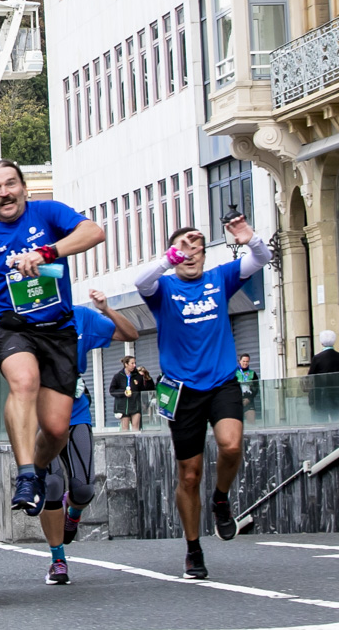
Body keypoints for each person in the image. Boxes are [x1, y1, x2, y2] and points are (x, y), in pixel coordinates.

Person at [0, 159, 104, 516]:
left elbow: (94, 232)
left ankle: (39, 469)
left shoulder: (49, 213)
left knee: (57, 429)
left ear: (24, 188)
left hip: (58, 330)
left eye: (10, 184)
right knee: (24, 382)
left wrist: (48, 251)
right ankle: (25, 474)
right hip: (13, 329)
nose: (4, 192)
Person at [135, 215, 271, 580]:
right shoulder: (163, 288)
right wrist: (169, 259)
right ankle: (193, 549)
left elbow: (262, 258)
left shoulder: (219, 279)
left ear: (205, 255)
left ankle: (221, 498)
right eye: (183, 249)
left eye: (196, 248)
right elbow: (141, 282)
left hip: (222, 381)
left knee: (231, 445)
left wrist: (250, 238)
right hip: (182, 390)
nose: (190, 254)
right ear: (173, 255)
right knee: (190, 474)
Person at [26, 290, 136, 585]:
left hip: (75, 413)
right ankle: (57, 559)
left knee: (84, 490)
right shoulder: (23, 318)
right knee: (51, 485)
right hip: (38, 415)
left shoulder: (82, 317)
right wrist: (6, 321)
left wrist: (107, 309)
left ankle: (72, 514)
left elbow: (130, 334)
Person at [306, 330, 339, 419]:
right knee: (338, 419)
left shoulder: (317, 358)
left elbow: (311, 376)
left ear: (322, 342)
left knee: (321, 419)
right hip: (338, 394)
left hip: (321, 394)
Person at [109, 355, 150, 432]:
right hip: (123, 406)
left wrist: (145, 403)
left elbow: (143, 391)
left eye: (135, 363)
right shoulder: (118, 376)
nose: (134, 365)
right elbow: (112, 390)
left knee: (136, 427)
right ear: (126, 364)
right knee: (125, 428)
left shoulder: (138, 377)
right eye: (132, 363)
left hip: (135, 405)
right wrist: (123, 392)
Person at [235, 354, 260, 424]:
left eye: (247, 361)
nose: (245, 363)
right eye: (243, 361)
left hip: (248, 400)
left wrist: (249, 399)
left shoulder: (252, 373)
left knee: (251, 420)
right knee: (236, 423)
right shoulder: (234, 373)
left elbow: (256, 388)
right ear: (240, 361)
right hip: (237, 400)